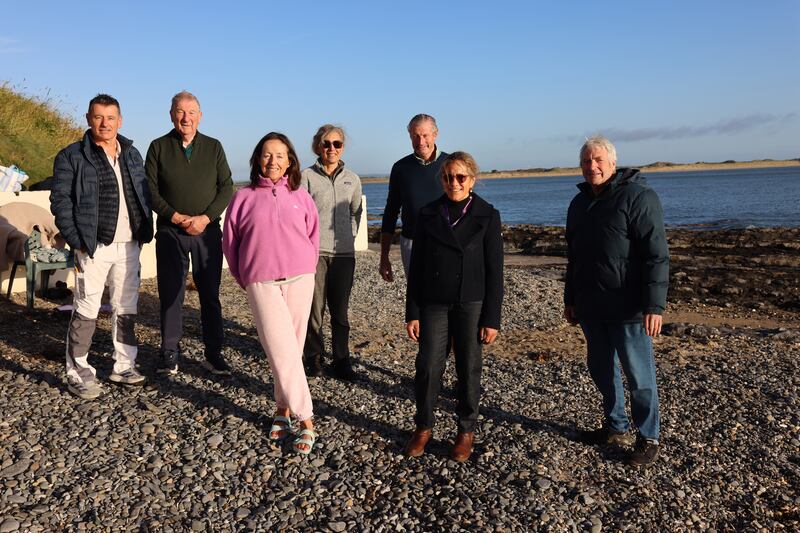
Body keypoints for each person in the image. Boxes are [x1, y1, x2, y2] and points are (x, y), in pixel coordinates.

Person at [564, 135, 669, 467]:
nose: (591, 166)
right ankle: (615, 425)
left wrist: (654, 305)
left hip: (628, 306)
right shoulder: (579, 203)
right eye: (586, 161)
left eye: (597, 160)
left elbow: (656, 254)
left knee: (639, 375)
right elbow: (574, 257)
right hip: (592, 305)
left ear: (612, 162)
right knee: (601, 369)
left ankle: (648, 436)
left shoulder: (639, 197)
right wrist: (571, 298)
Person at [50, 94, 153, 400]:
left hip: (129, 244)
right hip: (92, 246)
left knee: (126, 307)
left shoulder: (132, 153)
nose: (104, 123)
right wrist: (77, 239)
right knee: (86, 308)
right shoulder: (71, 156)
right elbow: (61, 201)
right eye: (98, 117)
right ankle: (77, 372)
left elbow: (143, 193)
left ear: (119, 121)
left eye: (110, 118)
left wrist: (145, 230)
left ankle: (124, 365)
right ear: (88, 119)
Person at [222, 132, 320, 455]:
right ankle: (307, 420)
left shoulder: (301, 195)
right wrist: (246, 276)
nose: (273, 161)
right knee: (279, 347)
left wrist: (307, 266)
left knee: (291, 348)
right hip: (261, 281)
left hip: (300, 278)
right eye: (267, 155)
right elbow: (230, 243)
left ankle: (282, 410)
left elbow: (312, 236)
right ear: (257, 160)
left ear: (290, 160)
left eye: (280, 155)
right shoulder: (243, 197)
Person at [403, 151, 503, 462]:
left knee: (468, 368)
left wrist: (492, 318)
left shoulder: (487, 214)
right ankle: (423, 426)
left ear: (472, 180)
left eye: (461, 177)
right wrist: (412, 312)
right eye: (448, 177)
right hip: (434, 300)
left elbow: (495, 271)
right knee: (429, 366)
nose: (454, 183)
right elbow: (416, 268)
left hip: (471, 301)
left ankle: (466, 430)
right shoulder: (428, 213)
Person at [145, 91, 233, 376]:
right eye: (181, 112)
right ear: (171, 115)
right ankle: (169, 351)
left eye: (192, 112)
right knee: (171, 294)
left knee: (210, 294)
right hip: (171, 232)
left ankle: (213, 353)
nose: (186, 117)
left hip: (207, 233)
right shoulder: (158, 147)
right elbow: (150, 190)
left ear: (200, 116)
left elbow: (226, 187)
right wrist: (176, 216)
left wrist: (205, 218)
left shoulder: (214, 147)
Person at [299, 125, 363, 380]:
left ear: (343, 147)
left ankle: (341, 359)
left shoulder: (353, 179)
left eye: (337, 144)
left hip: (344, 254)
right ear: (318, 146)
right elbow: (299, 213)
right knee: (314, 310)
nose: (332, 149)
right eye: (327, 144)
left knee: (340, 311)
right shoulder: (305, 177)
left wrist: (349, 235)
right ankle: (313, 357)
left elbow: (356, 212)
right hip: (314, 254)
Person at [379, 114, 447, 282]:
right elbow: (390, 212)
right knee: (417, 298)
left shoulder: (450, 163)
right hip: (411, 243)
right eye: (416, 136)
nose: (421, 141)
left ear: (435, 134)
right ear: (409, 135)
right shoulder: (401, 168)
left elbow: (466, 204)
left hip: (447, 242)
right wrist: (384, 257)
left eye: (425, 135)